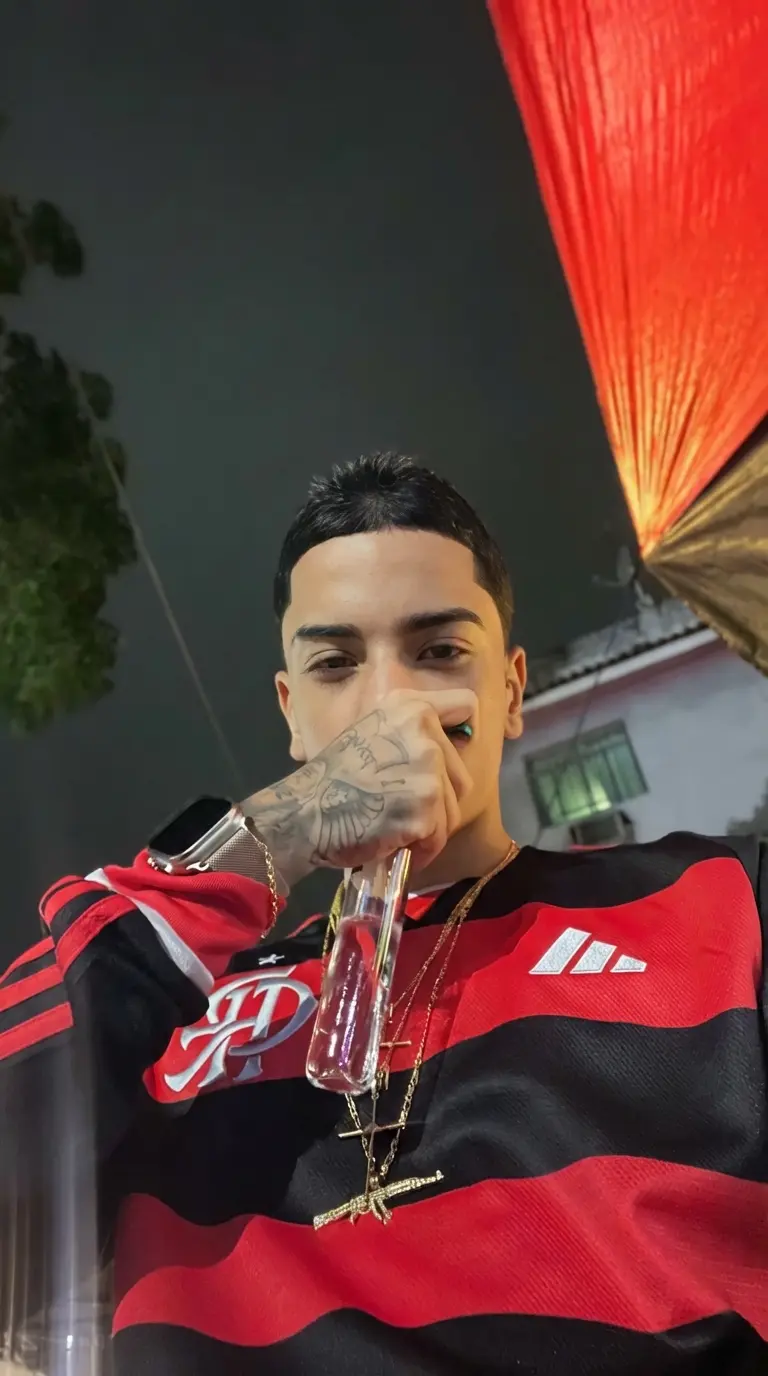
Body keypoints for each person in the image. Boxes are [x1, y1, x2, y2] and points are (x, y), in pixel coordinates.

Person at [1, 452, 767, 1375]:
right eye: (335, 664)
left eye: (439, 653)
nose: (390, 706)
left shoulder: (721, 901)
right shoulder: (177, 1009)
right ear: (292, 716)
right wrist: (274, 832)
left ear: (511, 691)